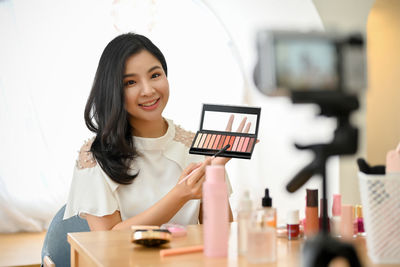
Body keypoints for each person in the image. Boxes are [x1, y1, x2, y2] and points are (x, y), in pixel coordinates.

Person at [63, 33, 235, 231]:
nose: (148, 91)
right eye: (130, 82)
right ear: (113, 90)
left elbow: (222, 233)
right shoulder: (95, 157)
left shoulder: (197, 146)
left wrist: (215, 174)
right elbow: (106, 242)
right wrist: (180, 195)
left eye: (155, 75)